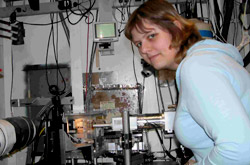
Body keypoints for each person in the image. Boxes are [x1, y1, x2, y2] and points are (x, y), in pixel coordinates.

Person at [124, 0, 250, 164]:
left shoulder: (197, 68)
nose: (144, 50)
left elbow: (239, 148)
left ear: (176, 28)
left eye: (151, 36)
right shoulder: (207, 59)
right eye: (139, 43)